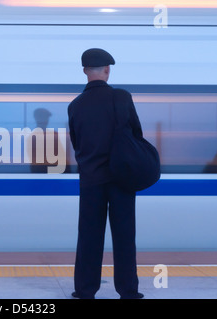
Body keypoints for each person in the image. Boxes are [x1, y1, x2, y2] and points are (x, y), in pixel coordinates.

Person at [67, 48, 144, 299]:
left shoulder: (75, 106)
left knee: (89, 235)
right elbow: (136, 135)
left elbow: (77, 144)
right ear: (107, 70)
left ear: (84, 71)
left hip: (90, 179)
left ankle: (85, 290)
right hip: (122, 178)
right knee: (124, 235)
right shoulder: (121, 97)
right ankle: (128, 290)